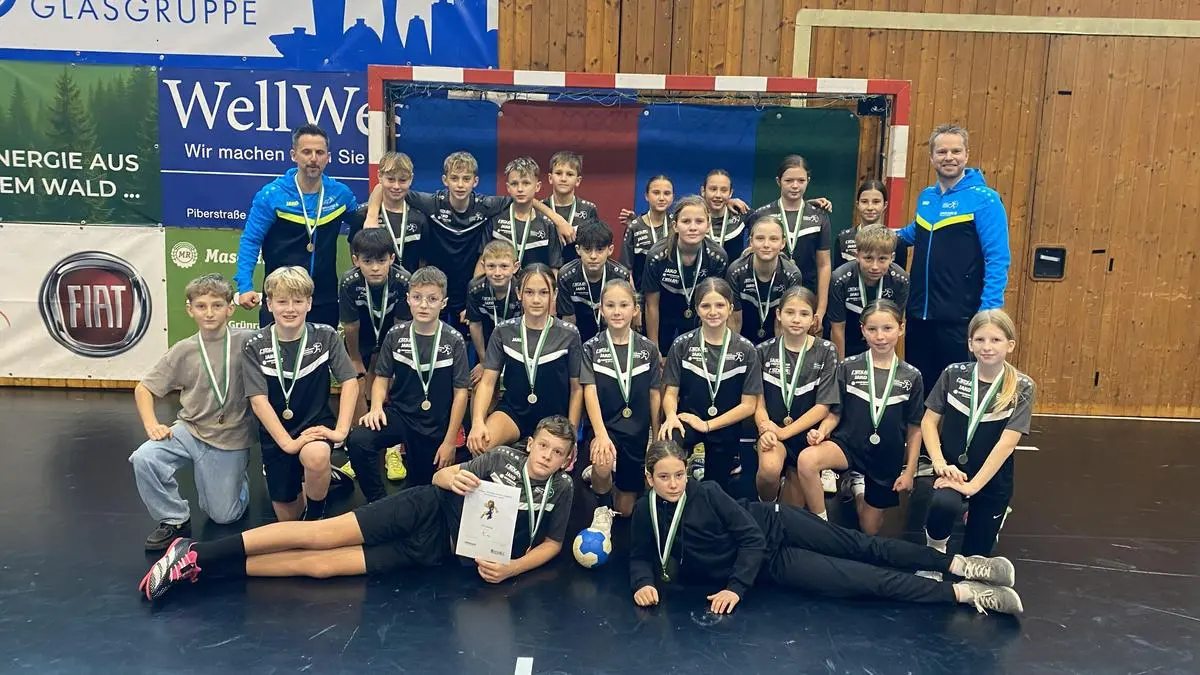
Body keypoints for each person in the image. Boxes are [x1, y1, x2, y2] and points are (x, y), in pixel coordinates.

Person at [139, 416, 578, 601]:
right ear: (531, 443)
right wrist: (451, 478)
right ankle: (197, 552)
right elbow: (443, 476)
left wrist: (513, 568)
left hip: (435, 551)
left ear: (567, 460)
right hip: (425, 509)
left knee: (321, 568)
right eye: (543, 446)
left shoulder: (561, 489)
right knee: (320, 535)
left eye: (557, 452)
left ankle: (204, 571)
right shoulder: (501, 458)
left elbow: (553, 543)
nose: (547, 456)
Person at [629, 440, 1024, 615]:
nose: (674, 484)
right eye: (664, 477)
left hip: (776, 526)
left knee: (864, 546)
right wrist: (643, 582)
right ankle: (965, 594)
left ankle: (961, 565)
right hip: (769, 565)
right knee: (861, 579)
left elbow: (750, 538)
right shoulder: (646, 511)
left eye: (679, 474)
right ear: (649, 479)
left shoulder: (707, 492)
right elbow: (640, 555)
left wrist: (734, 588)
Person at [366, 151, 570, 338]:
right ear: (445, 180)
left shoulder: (485, 206)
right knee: (429, 337)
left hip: (467, 287)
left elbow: (524, 198)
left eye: (466, 179)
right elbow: (381, 187)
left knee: (466, 339)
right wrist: (372, 216)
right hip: (438, 285)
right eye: (454, 178)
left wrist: (558, 220)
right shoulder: (432, 203)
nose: (460, 185)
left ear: (475, 181)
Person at [129, 274, 253, 550]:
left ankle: (238, 482)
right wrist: (151, 424)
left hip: (230, 437)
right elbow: (144, 389)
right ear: (190, 309)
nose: (209, 313)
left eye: (217, 305)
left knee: (224, 517)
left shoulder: (247, 341)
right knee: (144, 458)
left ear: (230, 309)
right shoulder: (183, 351)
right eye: (201, 306)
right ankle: (174, 518)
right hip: (190, 430)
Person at [897, 124, 1011, 389]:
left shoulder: (985, 199)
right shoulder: (927, 197)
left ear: (966, 155)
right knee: (921, 391)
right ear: (931, 157)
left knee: (959, 392)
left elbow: (997, 258)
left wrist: (989, 311)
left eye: (956, 151)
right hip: (919, 316)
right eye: (942, 152)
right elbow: (912, 233)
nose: (949, 157)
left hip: (960, 318)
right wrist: (870, 235)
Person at [344, 266, 471, 499]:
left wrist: (449, 441)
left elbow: (461, 393)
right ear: (408, 299)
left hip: (435, 424)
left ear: (443, 303)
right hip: (401, 415)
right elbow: (382, 377)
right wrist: (376, 408)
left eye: (432, 299)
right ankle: (378, 502)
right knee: (359, 439)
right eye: (417, 297)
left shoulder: (454, 340)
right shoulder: (396, 335)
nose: (424, 305)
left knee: (422, 490)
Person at [242, 267, 358, 522]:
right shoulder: (255, 344)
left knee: (315, 458)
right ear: (269, 304)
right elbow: (258, 402)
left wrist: (341, 432)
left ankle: (316, 512)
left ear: (309, 303)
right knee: (289, 520)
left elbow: (350, 381)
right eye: (282, 301)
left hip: (315, 426)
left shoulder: (325, 336)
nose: (290, 309)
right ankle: (324, 474)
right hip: (277, 434)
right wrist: (288, 444)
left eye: (298, 301)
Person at [796, 301, 922, 534]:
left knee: (869, 529)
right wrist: (821, 432)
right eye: (872, 329)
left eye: (887, 328)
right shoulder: (848, 367)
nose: (880, 336)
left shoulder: (912, 376)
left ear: (901, 328)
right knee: (806, 460)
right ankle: (822, 527)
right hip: (849, 445)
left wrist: (909, 471)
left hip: (885, 456)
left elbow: (915, 428)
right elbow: (835, 413)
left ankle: (858, 487)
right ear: (862, 330)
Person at [921, 310, 1036, 561]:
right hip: (952, 470)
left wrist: (973, 487)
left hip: (993, 478)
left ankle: (988, 517)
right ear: (970, 343)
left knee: (975, 556)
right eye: (980, 339)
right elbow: (928, 421)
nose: (987, 347)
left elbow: (1007, 444)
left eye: (996, 340)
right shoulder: (953, 373)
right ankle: (935, 552)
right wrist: (939, 463)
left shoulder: (1022, 386)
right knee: (943, 505)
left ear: (1010, 345)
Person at [234, 124, 361, 328]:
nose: (313, 158)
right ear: (294, 155)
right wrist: (245, 285)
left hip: (324, 299)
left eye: (319, 152)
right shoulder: (272, 195)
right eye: (306, 152)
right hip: (280, 297)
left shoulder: (340, 194)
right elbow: (251, 240)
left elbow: (362, 224)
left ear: (328, 157)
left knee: (323, 349)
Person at [469, 264, 584, 453]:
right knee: (481, 445)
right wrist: (477, 422)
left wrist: (571, 434)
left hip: (554, 419)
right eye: (529, 292)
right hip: (514, 414)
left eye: (543, 293)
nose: (536, 300)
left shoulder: (569, 334)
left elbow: (577, 389)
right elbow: (488, 383)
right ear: (519, 293)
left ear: (554, 294)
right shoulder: (503, 331)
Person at [659, 278, 761, 490]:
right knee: (669, 439)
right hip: (687, 420)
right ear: (697, 309)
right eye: (706, 306)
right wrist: (670, 416)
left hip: (725, 425)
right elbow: (670, 393)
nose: (713, 312)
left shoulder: (746, 350)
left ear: (730, 308)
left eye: (720, 305)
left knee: (714, 488)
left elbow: (749, 405)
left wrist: (707, 425)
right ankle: (674, 493)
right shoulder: (682, 344)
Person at [581, 279, 662, 517]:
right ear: (601, 310)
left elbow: (654, 394)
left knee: (625, 511)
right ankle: (602, 502)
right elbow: (589, 391)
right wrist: (600, 434)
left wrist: (656, 435)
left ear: (635, 309)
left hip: (636, 432)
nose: (617, 311)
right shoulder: (591, 348)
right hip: (605, 428)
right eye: (610, 305)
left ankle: (610, 477)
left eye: (624, 305)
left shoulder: (648, 349)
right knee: (603, 462)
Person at [753, 286, 839, 506]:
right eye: (790, 312)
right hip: (772, 431)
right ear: (778, 314)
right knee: (768, 471)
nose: (796, 319)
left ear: (814, 319)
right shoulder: (762, 351)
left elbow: (823, 407)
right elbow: (758, 403)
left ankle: (790, 487)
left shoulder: (827, 350)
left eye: (804, 314)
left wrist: (784, 432)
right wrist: (765, 428)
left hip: (808, 437)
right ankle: (766, 508)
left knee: (792, 511)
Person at [338, 228, 412, 423]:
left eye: (381, 261)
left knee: (389, 378)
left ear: (392, 259)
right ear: (356, 261)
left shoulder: (404, 281)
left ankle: (388, 426)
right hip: (361, 335)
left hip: (392, 334)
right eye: (368, 261)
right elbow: (350, 325)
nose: (375, 268)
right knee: (355, 379)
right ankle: (360, 429)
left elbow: (401, 326)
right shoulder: (349, 282)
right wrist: (355, 358)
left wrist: (390, 360)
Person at [752, 155, 833, 333]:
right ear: (778, 181)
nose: (795, 186)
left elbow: (824, 264)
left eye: (801, 180)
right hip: (770, 296)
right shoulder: (762, 215)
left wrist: (820, 310)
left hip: (807, 295)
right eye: (789, 180)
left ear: (808, 181)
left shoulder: (819, 216)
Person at [643, 196, 729, 354]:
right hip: (663, 316)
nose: (693, 227)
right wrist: (654, 348)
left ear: (708, 225)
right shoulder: (657, 257)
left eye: (699, 221)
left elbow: (716, 303)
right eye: (686, 221)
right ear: (675, 226)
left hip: (698, 318)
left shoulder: (718, 257)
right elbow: (651, 305)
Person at [828, 224, 910, 360]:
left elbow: (895, 326)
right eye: (868, 258)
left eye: (882, 259)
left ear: (892, 257)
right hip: (848, 338)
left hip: (881, 339)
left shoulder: (901, 280)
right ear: (857, 255)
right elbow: (837, 328)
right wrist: (840, 367)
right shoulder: (840, 279)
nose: (875, 266)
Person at [725, 212, 804, 343]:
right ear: (751, 242)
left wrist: (777, 353)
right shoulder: (735, 272)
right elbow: (735, 321)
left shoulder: (792, 275)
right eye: (760, 238)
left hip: (775, 337)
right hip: (743, 336)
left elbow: (783, 323)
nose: (766, 244)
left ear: (783, 243)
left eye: (773, 239)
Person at [348, 151, 427, 273]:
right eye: (390, 179)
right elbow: (355, 252)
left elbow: (424, 259)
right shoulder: (363, 215)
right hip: (373, 283)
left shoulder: (419, 217)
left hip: (411, 283)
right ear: (379, 176)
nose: (396, 186)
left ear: (411, 179)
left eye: (402, 180)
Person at [485, 156, 569, 271]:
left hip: (535, 282)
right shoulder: (495, 221)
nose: (520, 189)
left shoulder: (547, 225)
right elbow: (483, 261)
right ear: (508, 187)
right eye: (514, 184)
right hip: (501, 281)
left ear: (537, 186)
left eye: (526, 183)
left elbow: (554, 268)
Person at [557, 220, 632, 344]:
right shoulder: (566, 276)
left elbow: (623, 318)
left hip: (610, 335)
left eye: (600, 250)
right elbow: (568, 320)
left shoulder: (620, 276)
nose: (593, 256)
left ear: (610, 250)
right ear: (578, 250)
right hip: (578, 334)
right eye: (587, 249)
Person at [465, 240, 522, 386]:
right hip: (488, 341)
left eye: (504, 266)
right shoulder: (475, 288)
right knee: (479, 384)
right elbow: (475, 325)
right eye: (491, 266)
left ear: (515, 267)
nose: (497, 273)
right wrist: (484, 362)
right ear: (483, 266)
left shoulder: (522, 288)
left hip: (518, 341)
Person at [619, 175, 674, 294]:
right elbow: (626, 268)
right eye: (656, 193)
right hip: (642, 292)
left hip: (671, 291)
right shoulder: (635, 227)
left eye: (667, 193)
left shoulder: (677, 225)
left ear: (672, 197)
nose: (661, 198)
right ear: (646, 196)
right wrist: (633, 294)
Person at [836, 180, 908, 269]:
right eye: (864, 201)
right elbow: (837, 274)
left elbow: (900, 275)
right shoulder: (843, 239)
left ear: (885, 205)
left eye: (876, 202)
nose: (870, 207)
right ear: (857, 204)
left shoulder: (897, 242)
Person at [545, 150, 600, 264]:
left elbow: (594, 245)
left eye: (569, 174)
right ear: (550, 178)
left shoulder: (588, 210)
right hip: (546, 270)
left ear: (578, 181)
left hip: (578, 270)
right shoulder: (541, 208)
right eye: (558, 173)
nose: (563, 179)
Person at [703, 169, 747, 260]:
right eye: (713, 189)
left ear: (730, 193)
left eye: (724, 190)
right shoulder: (694, 217)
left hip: (733, 269)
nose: (718, 195)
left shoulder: (741, 213)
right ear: (703, 191)